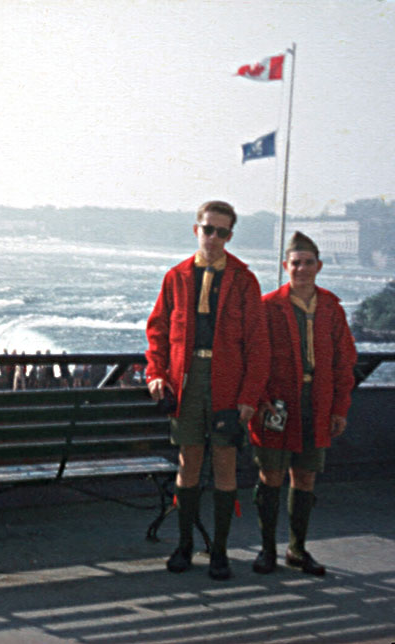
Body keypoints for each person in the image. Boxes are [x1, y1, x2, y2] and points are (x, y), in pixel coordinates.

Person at [145, 200, 270, 580]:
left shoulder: (244, 280)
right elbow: (158, 332)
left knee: (226, 467)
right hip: (187, 381)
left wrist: (249, 397)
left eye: (222, 232)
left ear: (230, 236)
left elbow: (258, 346)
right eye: (208, 229)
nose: (214, 238)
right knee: (190, 464)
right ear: (196, 229)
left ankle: (219, 551)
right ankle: (184, 547)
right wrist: (156, 373)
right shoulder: (176, 276)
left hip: (228, 384)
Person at [249, 232, 357, 576]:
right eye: (295, 263)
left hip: (317, 403)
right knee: (271, 474)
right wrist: (260, 400)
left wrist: (339, 407)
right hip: (276, 405)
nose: (302, 269)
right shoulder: (267, 307)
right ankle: (267, 549)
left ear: (319, 266)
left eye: (308, 262)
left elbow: (344, 361)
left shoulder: (331, 308)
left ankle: (297, 549)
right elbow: (253, 359)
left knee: (305, 476)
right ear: (285, 266)